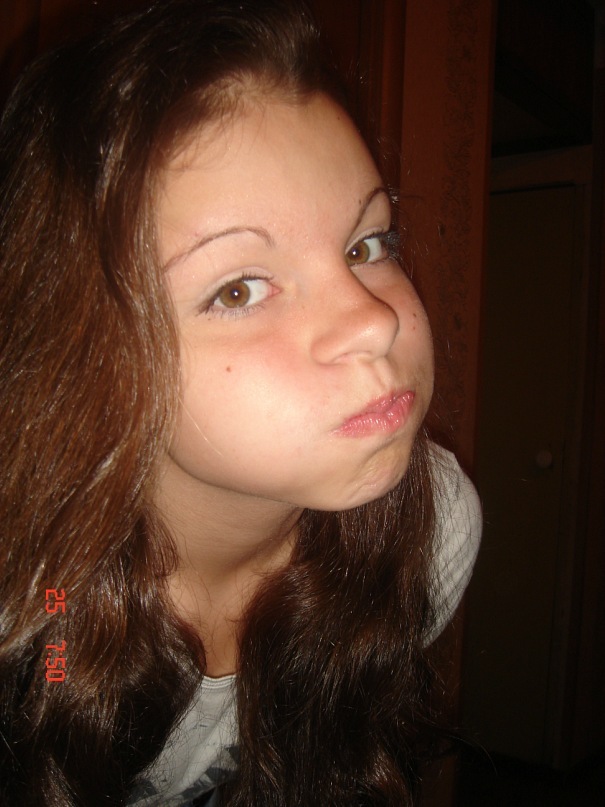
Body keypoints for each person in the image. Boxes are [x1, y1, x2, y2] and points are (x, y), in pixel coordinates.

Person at [0, 1, 481, 804]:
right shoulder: (34, 595)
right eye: (239, 288)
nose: (374, 320)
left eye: (366, 244)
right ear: (83, 352)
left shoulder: (431, 532)